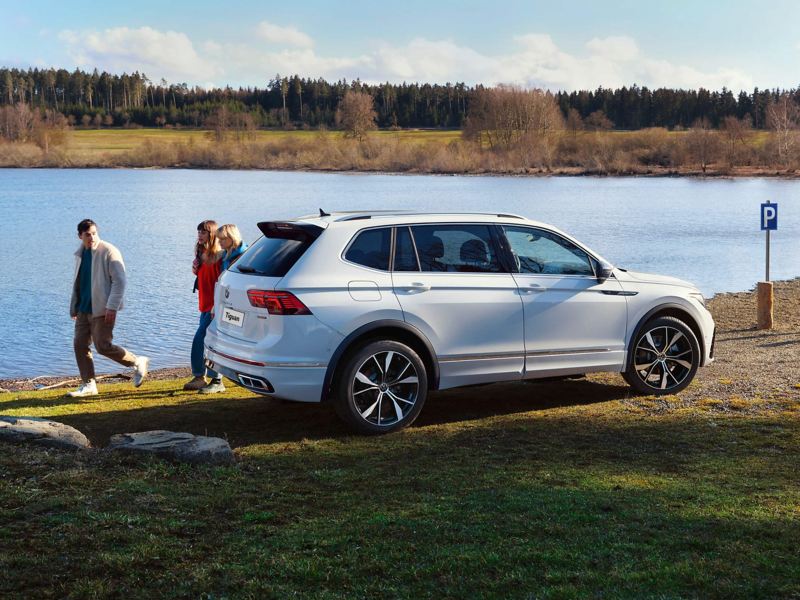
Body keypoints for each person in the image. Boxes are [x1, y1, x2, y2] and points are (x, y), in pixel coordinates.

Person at [68, 219, 149, 397]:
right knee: (79, 344)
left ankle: (136, 361)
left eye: (94, 233)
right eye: (87, 234)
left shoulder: (109, 251)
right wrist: (74, 306)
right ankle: (89, 384)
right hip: (83, 309)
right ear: (80, 236)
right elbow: (78, 283)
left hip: (102, 308)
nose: (92, 237)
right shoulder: (80, 253)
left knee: (103, 346)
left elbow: (120, 282)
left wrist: (112, 307)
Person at [184, 220, 225, 394]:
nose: (199, 235)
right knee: (208, 340)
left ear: (212, 234)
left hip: (215, 306)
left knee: (201, 339)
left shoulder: (220, 255)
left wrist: (218, 306)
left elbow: (223, 282)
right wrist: (195, 269)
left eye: (203, 232)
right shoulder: (200, 252)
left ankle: (205, 378)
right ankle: (207, 378)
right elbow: (202, 277)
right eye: (198, 231)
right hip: (204, 304)